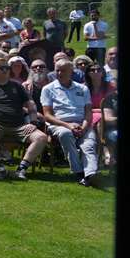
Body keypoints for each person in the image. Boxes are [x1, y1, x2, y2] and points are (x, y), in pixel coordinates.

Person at [38, 53, 102, 187]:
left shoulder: (82, 89)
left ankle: (91, 174)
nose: (59, 73)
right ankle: (79, 172)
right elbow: (48, 115)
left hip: (82, 123)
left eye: (63, 70)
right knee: (66, 134)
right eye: (57, 70)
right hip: (59, 124)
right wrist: (68, 126)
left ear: (71, 71)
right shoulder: (48, 89)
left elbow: (88, 112)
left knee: (88, 145)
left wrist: (84, 127)